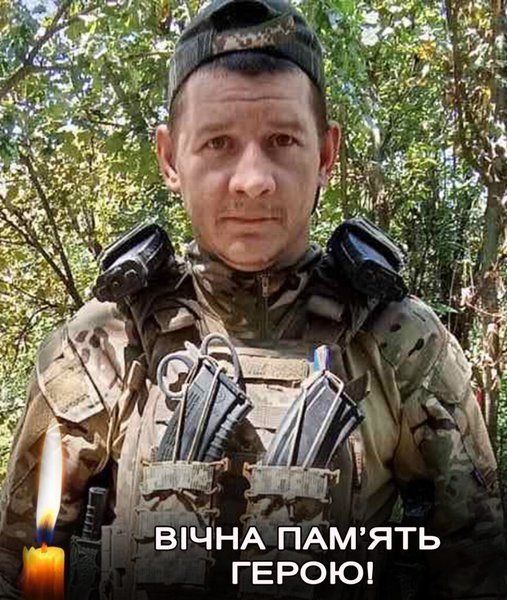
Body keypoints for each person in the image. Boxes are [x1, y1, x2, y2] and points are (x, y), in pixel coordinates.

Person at [0, 0, 505, 598]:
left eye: (282, 140)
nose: (252, 180)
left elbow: (478, 566)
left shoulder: (401, 344)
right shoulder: (104, 344)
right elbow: (17, 563)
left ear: (326, 154)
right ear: (170, 158)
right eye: (218, 143)